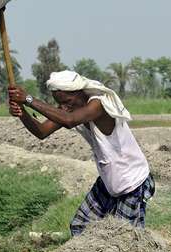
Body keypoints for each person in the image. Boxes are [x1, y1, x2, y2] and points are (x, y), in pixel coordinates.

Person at [8, 71, 155, 236]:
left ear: (80, 93)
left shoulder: (98, 105)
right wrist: (22, 112)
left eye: (67, 101)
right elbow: (42, 131)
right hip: (110, 181)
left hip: (132, 182)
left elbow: (69, 121)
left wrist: (28, 99)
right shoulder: (70, 109)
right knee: (80, 226)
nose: (65, 107)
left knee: (125, 236)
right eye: (60, 104)